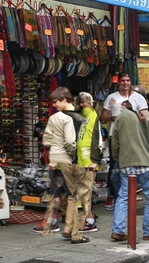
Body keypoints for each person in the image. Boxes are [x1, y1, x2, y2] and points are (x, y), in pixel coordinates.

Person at [109, 97, 149, 243]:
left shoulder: (121, 118)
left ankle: (118, 230)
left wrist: (118, 157)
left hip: (127, 163)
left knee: (123, 197)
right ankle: (148, 230)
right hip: (147, 163)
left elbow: (114, 141)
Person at [41, 87, 90, 244]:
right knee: (77, 196)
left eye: (55, 101)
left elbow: (47, 140)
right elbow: (71, 141)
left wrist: (54, 152)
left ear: (63, 99)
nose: (54, 104)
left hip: (56, 160)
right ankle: (75, 232)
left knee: (67, 196)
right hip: (70, 160)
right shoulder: (73, 118)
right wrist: (72, 153)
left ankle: (68, 228)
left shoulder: (54, 118)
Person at [101, 73, 146, 210]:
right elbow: (103, 116)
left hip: (133, 136)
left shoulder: (138, 98)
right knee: (114, 167)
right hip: (115, 136)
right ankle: (113, 195)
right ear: (118, 82)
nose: (125, 83)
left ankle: (128, 195)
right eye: (123, 80)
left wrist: (131, 117)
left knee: (131, 165)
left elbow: (145, 116)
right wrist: (115, 118)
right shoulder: (111, 97)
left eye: (128, 80)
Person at [74, 93, 103, 232]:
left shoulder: (93, 117)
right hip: (83, 161)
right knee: (83, 193)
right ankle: (88, 220)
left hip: (88, 162)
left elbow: (98, 141)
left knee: (85, 193)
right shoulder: (86, 118)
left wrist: (95, 161)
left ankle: (89, 221)